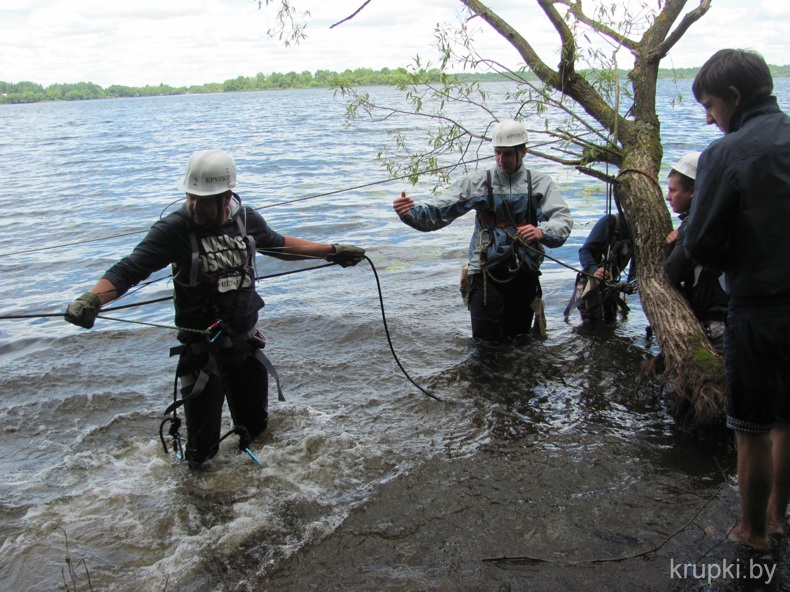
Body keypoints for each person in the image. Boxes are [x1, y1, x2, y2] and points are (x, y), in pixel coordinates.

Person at [65, 149, 365, 467]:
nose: (195, 205)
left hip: (246, 345)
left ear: (226, 196)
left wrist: (331, 251)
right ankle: (202, 500)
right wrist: (92, 300)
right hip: (200, 354)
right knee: (201, 453)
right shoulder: (175, 229)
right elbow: (129, 269)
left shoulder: (246, 219)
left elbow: (279, 244)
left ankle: (254, 488)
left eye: (204, 200)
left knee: (257, 431)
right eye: (191, 197)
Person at [684, 49, 790, 551]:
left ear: (735, 97)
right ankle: (779, 516)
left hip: (756, 307)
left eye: (710, 105)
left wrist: (736, 256)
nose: (708, 117)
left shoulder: (724, 155)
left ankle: (753, 532)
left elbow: (699, 242)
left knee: (751, 425)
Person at [392, 119, 573, 341]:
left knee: (519, 339)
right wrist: (409, 213)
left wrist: (542, 231)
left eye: (507, 154)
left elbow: (562, 220)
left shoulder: (539, 184)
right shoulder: (478, 182)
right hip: (485, 274)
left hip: (524, 273)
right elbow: (439, 211)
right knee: (484, 344)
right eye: (497, 153)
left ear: (523, 151)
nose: (500, 160)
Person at [663, 151, 728, 355]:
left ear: (692, 191)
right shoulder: (720, 216)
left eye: (673, 190)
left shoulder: (693, 225)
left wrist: (672, 245)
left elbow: (671, 273)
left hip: (716, 322)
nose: (668, 196)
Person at [565, 212, 635, 324]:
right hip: (590, 283)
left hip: (611, 286)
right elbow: (584, 251)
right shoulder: (610, 222)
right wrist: (595, 270)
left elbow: (636, 264)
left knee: (610, 324)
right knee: (590, 326)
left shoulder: (640, 231)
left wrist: (632, 283)